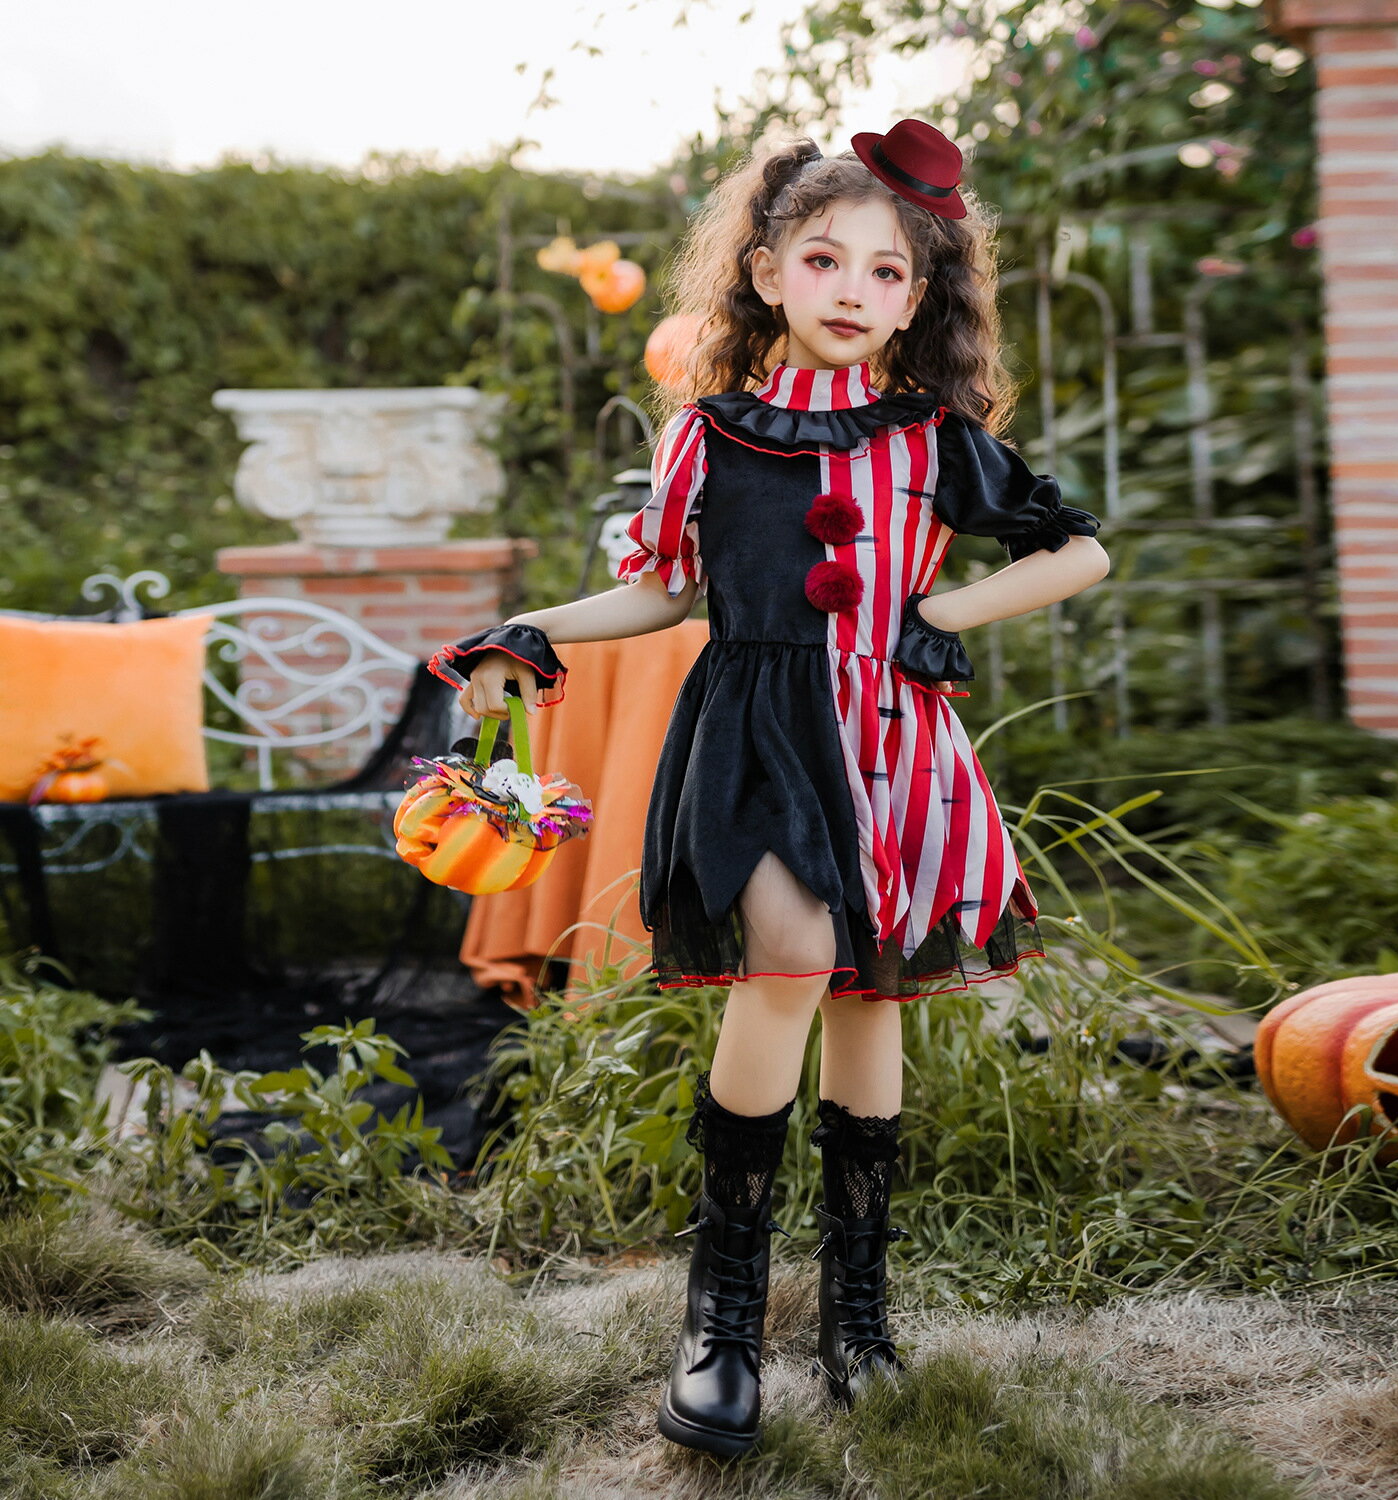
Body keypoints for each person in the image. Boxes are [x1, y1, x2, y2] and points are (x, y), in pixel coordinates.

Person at [427, 118, 1110, 1457]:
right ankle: (722, 1321)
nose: (856, 292)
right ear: (767, 271)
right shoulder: (712, 436)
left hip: (892, 743)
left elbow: (1077, 552)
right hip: (757, 730)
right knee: (790, 962)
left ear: (922, 297)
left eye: (890, 274)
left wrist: (944, 606)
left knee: (873, 1001)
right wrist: (536, 631)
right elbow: (666, 587)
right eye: (825, 261)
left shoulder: (932, 437)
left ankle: (858, 1321)